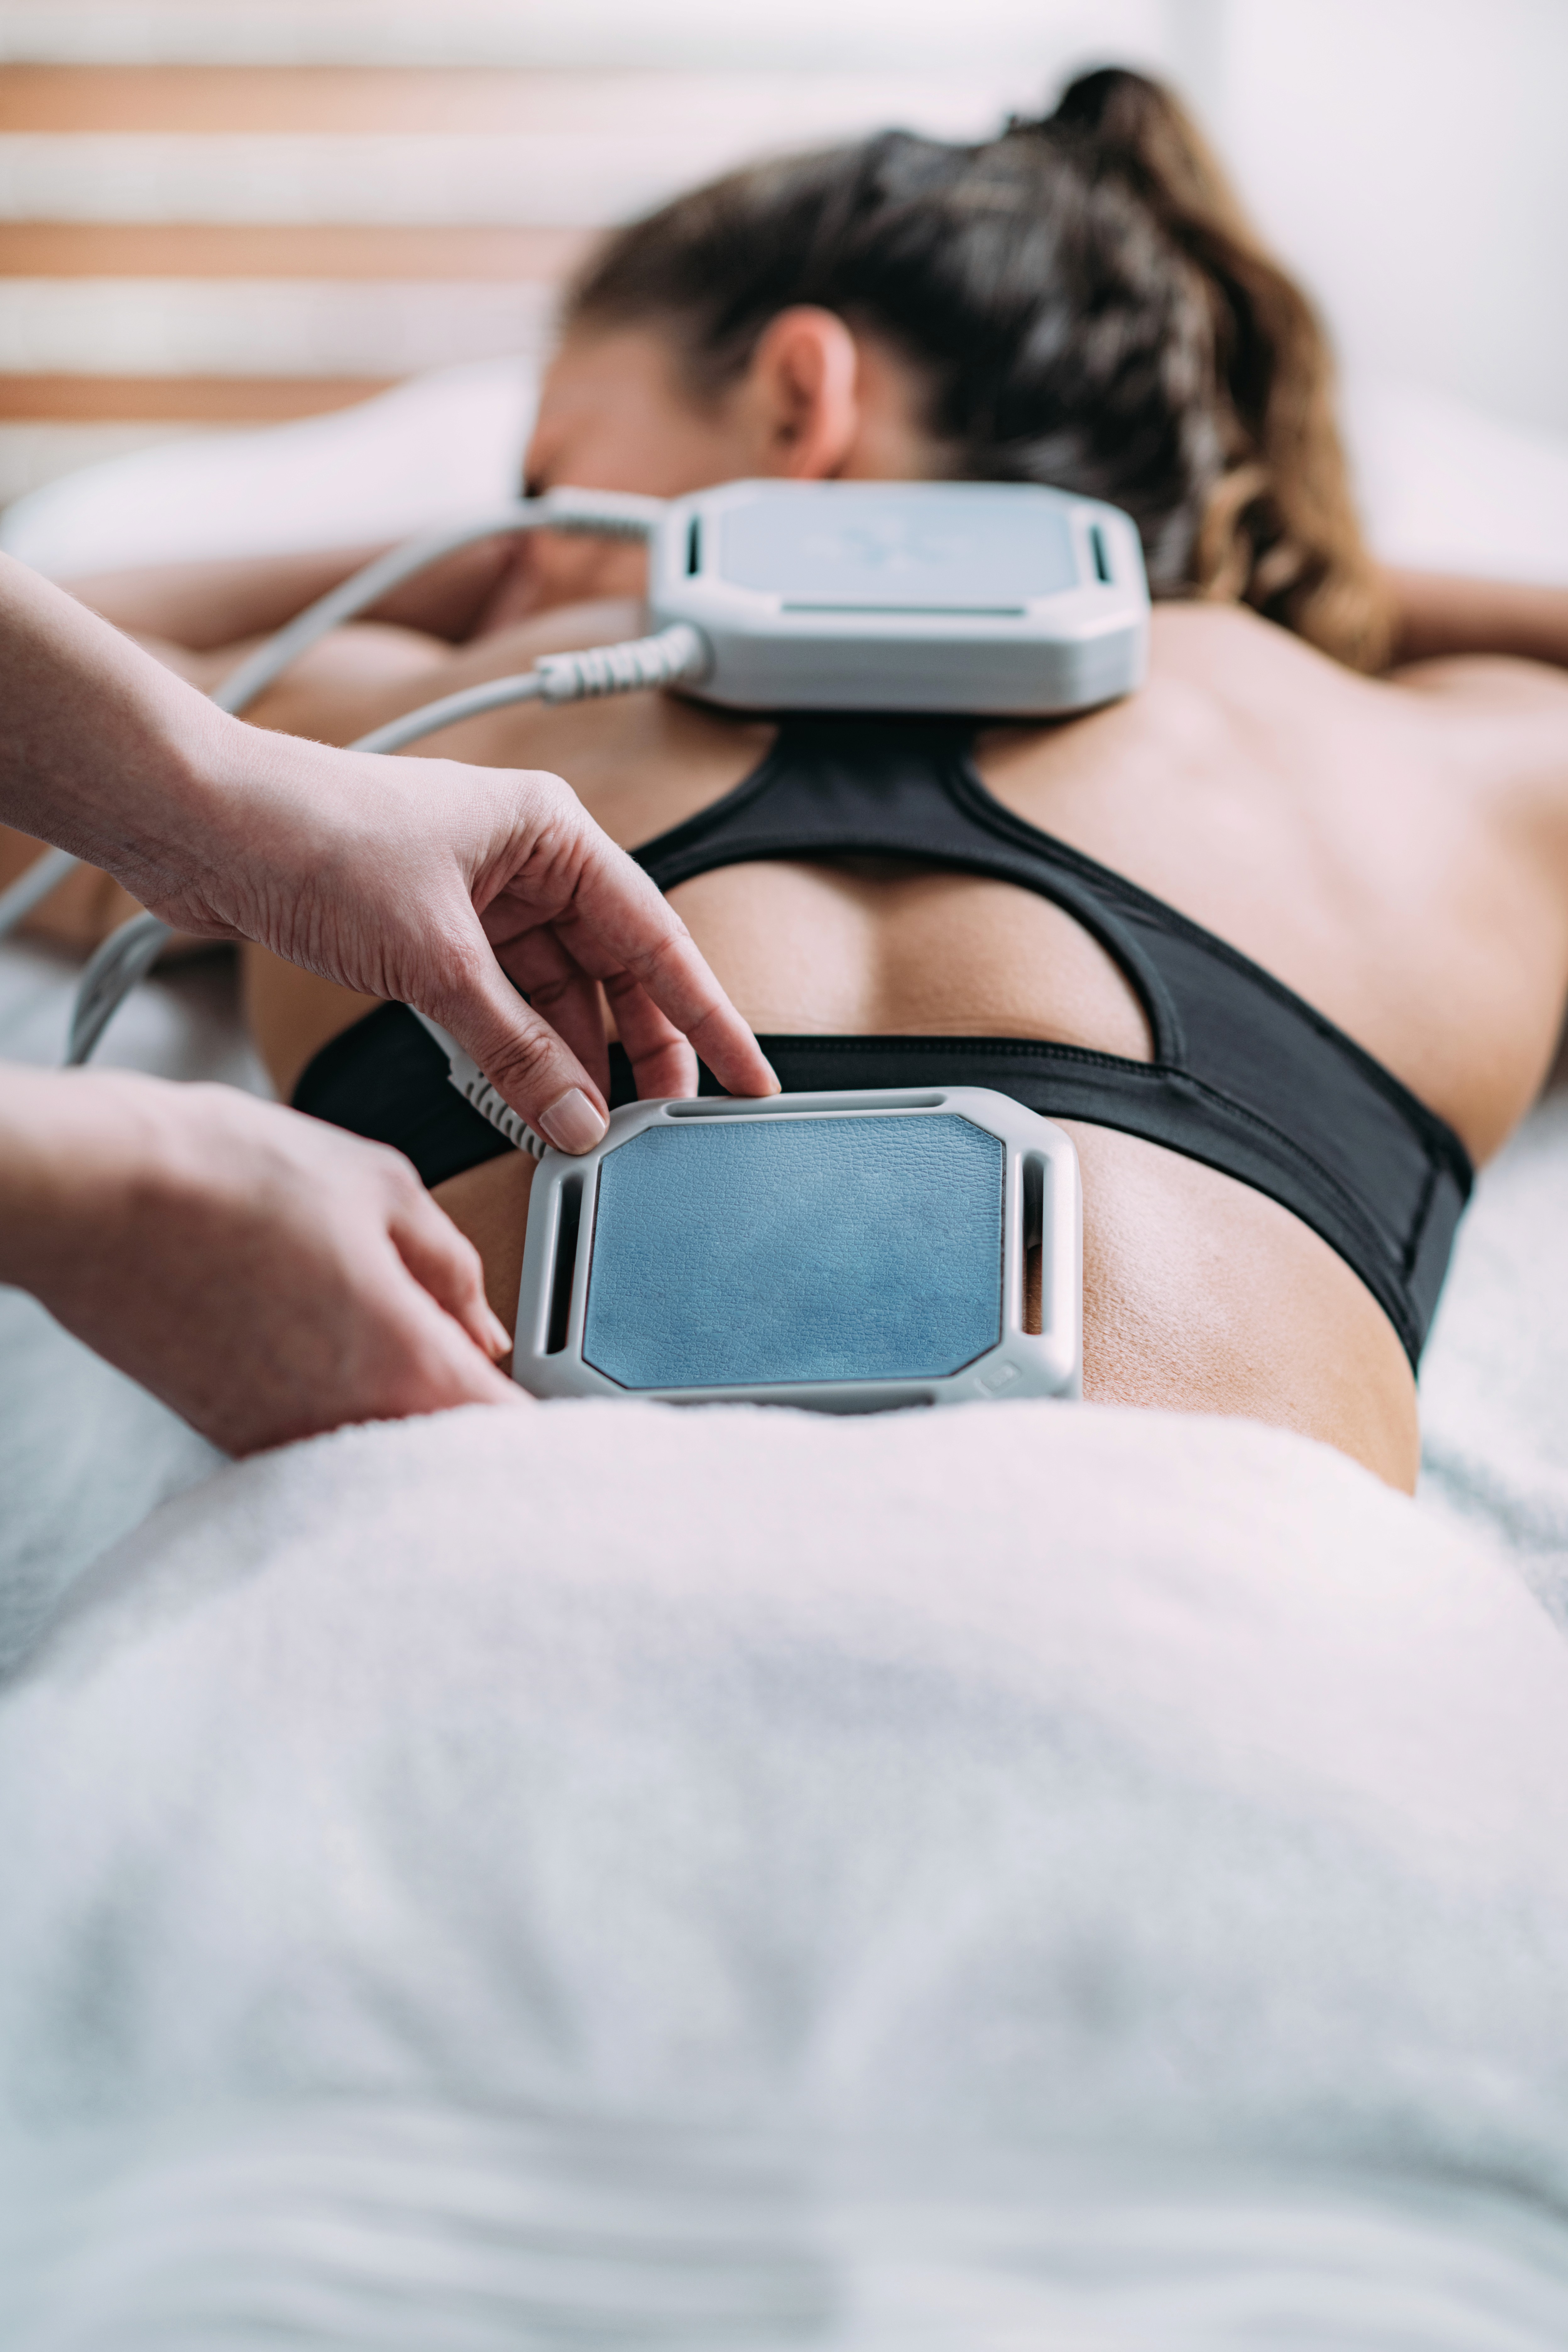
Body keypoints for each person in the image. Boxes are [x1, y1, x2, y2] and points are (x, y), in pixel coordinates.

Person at [18, 67, 1568, 1491]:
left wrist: (509, 571)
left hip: (478, 1601)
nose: (508, 574)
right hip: (1230, 1645)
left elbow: (64, 630)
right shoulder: (1413, 767)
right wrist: (1309, 611)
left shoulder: (383, 726)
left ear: (795, 403)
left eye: (544, 482)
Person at [0, 557, 777, 1453]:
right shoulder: (262, 751)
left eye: (546, 465)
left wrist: (465, 569)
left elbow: (75, 592)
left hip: (470, 1471)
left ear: (798, 415)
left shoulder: (389, 698)